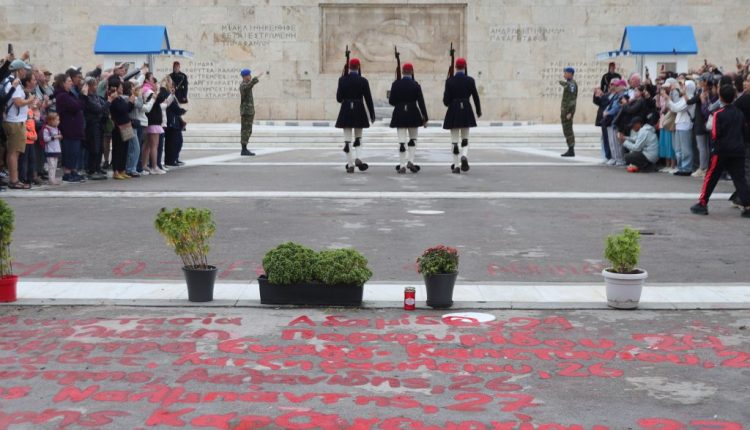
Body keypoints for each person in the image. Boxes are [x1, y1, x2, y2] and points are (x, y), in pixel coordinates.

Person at [690, 85, 750, 218]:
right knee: (739, 178)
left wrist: (715, 147)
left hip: (721, 150)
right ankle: (747, 205)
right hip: (738, 149)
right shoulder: (740, 113)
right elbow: (744, 132)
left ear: (721, 97)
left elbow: (715, 134)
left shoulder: (718, 113)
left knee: (711, 177)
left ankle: (702, 203)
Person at [336, 58, 375, 173]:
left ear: (349, 67)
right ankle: (358, 157)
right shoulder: (363, 81)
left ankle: (350, 164)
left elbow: (339, 99)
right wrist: (372, 114)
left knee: (347, 140)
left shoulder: (342, 80)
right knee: (358, 137)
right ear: (358, 67)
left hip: (346, 109)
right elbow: (368, 99)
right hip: (359, 109)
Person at [443, 57, 481, 173]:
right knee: (465, 138)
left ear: (455, 67)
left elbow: (446, 101)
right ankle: (464, 155)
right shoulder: (470, 80)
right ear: (465, 67)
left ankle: (456, 166)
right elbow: (475, 97)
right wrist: (478, 111)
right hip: (466, 108)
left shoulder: (449, 81)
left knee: (454, 141)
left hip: (454, 109)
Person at [388, 62, 428, 174]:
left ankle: (402, 165)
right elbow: (421, 102)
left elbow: (391, 101)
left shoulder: (396, 84)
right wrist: (425, 117)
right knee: (413, 139)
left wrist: (400, 103)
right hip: (413, 113)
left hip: (399, 113)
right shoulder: (416, 85)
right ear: (412, 72)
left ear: (402, 72)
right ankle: (410, 161)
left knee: (401, 142)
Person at [2, 59, 36, 189]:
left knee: (13, 152)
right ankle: (14, 180)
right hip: (15, 122)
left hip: (14, 121)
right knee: (14, 152)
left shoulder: (12, 81)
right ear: (19, 70)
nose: (25, 72)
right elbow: (18, 102)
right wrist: (29, 100)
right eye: (24, 69)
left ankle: (14, 179)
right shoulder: (14, 83)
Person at [54, 73, 87, 183]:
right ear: (62, 83)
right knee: (70, 150)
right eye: (68, 81)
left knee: (75, 151)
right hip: (69, 127)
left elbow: (78, 105)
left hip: (74, 128)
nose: (71, 83)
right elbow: (76, 106)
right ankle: (67, 173)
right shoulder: (62, 96)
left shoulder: (69, 94)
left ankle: (73, 171)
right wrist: (83, 96)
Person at [666, 79, 696, 176]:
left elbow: (676, 108)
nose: (682, 88)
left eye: (684, 86)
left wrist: (667, 98)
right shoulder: (683, 98)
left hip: (685, 124)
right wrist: (668, 98)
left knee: (685, 148)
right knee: (678, 148)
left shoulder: (690, 98)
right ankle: (681, 167)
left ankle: (687, 168)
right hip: (679, 123)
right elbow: (674, 107)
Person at [83, 76, 108, 180]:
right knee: (94, 148)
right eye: (94, 85)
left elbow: (102, 106)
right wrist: (109, 102)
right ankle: (91, 169)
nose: (96, 87)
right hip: (92, 125)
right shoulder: (87, 98)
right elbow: (98, 109)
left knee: (100, 148)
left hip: (99, 124)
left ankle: (97, 167)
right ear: (89, 86)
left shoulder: (96, 96)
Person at [239, 68, 259, 156]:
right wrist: (253, 81)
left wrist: (253, 82)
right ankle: (244, 150)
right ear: (245, 76)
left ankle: (245, 148)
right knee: (245, 131)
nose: (250, 76)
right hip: (246, 112)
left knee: (248, 130)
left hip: (249, 112)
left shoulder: (247, 84)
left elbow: (250, 85)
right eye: (249, 75)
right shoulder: (243, 85)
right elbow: (248, 87)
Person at [559, 67, 578, 157]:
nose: (564, 74)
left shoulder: (572, 85)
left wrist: (570, 112)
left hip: (568, 112)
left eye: (565, 72)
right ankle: (570, 149)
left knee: (568, 130)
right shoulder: (569, 83)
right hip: (565, 111)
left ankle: (571, 150)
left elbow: (572, 99)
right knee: (566, 130)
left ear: (570, 73)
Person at [42, 112, 62, 185]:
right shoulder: (47, 129)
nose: (58, 121)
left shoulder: (57, 129)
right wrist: (54, 137)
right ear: (51, 121)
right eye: (57, 120)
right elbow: (45, 139)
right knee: (51, 165)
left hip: (56, 150)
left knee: (55, 166)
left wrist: (60, 137)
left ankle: (53, 178)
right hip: (50, 150)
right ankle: (51, 179)